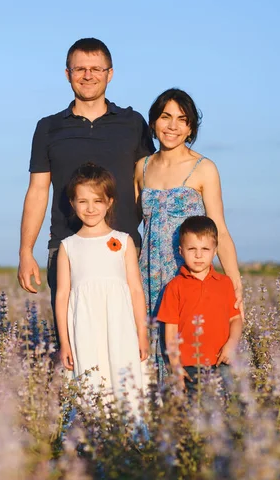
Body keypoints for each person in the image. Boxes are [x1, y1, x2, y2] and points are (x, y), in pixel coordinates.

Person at [18, 38, 155, 348]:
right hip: (66, 247)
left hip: (123, 247)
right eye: (80, 69)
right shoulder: (48, 128)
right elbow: (37, 191)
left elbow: (147, 186)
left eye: (96, 69)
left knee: (128, 343)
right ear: (67, 74)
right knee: (73, 343)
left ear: (110, 73)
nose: (88, 75)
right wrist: (26, 251)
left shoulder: (133, 124)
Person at [134, 88, 242, 381]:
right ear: (154, 121)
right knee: (147, 354)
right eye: (165, 117)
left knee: (193, 354)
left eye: (182, 119)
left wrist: (234, 281)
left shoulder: (204, 168)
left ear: (191, 126)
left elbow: (218, 226)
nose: (172, 126)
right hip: (147, 276)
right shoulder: (141, 167)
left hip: (189, 274)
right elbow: (131, 227)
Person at [55, 163, 149, 412]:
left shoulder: (124, 240)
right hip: (84, 326)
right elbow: (62, 295)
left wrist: (142, 333)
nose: (90, 208)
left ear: (109, 202)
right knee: (89, 375)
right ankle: (90, 433)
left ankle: (128, 436)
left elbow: (136, 291)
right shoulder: (68, 246)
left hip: (119, 324)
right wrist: (64, 342)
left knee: (122, 372)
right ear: (73, 204)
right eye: (82, 201)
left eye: (97, 201)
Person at [157, 216, 242, 394]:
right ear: (181, 251)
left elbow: (235, 319)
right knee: (194, 416)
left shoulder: (225, 283)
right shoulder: (174, 287)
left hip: (222, 361)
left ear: (215, 250)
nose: (198, 255)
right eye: (192, 249)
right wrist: (175, 366)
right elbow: (170, 331)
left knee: (225, 414)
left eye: (205, 249)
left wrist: (232, 344)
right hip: (189, 366)